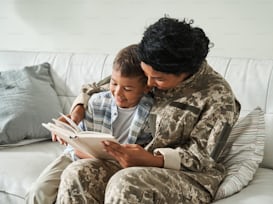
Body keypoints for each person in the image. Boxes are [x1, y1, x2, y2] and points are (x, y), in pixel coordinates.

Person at [57, 16, 241, 204]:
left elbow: (203, 158)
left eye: (158, 79)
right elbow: (98, 87)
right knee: (77, 173)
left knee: (126, 183)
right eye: (146, 75)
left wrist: (151, 160)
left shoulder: (218, 97)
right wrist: (77, 110)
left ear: (184, 73)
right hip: (137, 164)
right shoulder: (153, 67)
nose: (149, 84)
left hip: (191, 177)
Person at [25, 44, 154, 204]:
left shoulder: (152, 112)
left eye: (127, 88)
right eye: (114, 84)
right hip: (77, 156)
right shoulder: (97, 101)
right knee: (39, 191)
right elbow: (77, 145)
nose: (118, 93)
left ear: (146, 87)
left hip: (119, 166)